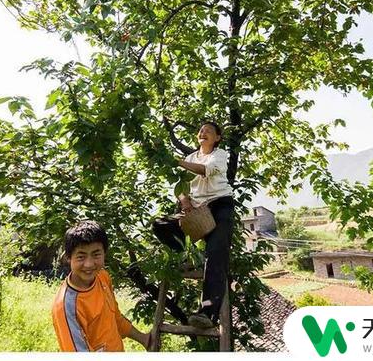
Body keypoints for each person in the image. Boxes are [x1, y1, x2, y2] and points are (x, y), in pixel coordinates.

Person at [152, 121, 235, 329]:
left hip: (219, 207)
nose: (203, 133)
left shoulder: (220, 155)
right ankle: (186, 256)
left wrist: (177, 162)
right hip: (197, 212)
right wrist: (185, 202)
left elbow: (205, 170)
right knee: (160, 225)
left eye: (208, 131)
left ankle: (207, 312)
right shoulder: (190, 158)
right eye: (200, 130)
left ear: (217, 138)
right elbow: (180, 186)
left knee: (216, 254)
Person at [52, 220, 151, 351]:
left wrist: (143, 338)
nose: (89, 264)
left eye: (96, 254)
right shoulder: (67, 307)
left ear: (105, 253)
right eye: (81, 257)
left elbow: (114, 317)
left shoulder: (102, 277)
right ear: (68, 257)